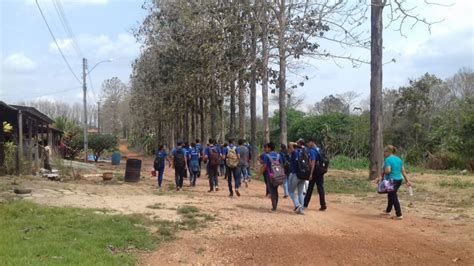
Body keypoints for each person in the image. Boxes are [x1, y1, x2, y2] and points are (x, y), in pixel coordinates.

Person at [381, 145, 411, 220]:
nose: (384, 153)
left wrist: (383, 172)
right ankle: (388, 210)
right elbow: (403, 171)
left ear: (388, 152)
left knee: (393, 196)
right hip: (399, 179)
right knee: (391, 194)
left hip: (391, 180)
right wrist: (407, 180)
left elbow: (388, 171)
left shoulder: (388, 159)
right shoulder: (399, 159)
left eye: (385, 152)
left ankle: (399, 214)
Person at [258, 142, 283, 212]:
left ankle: (274, 208)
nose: (265, 149)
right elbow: (281, 164)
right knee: (276, 190)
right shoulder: (278, 155)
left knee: (272, 191)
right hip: (278, 175)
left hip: (270, 175)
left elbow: (265, 166)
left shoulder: (267, 156)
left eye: (266, 147)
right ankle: (275, 206)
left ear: (269, 148)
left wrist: (259, 174)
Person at [304, 138, 326, 211]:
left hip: (315, 172)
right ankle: (323, 205)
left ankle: (305, 204)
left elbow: (312, 163)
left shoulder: (312, 151)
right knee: (320, 188)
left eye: (308, 142)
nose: (307, 144)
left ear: (312, 142)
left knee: (310, 188)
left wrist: (311, 173)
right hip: (321, 171)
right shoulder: (319, 149)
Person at [288, 141, 306, 215]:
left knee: (291, 191)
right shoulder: (303, 152)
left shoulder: (294, 152)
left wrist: (296, 144)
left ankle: (297, 205)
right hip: (303, 174)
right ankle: (301, 209)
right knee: (300, 192)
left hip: (295, 174)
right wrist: (300, 146)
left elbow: (290, 143)